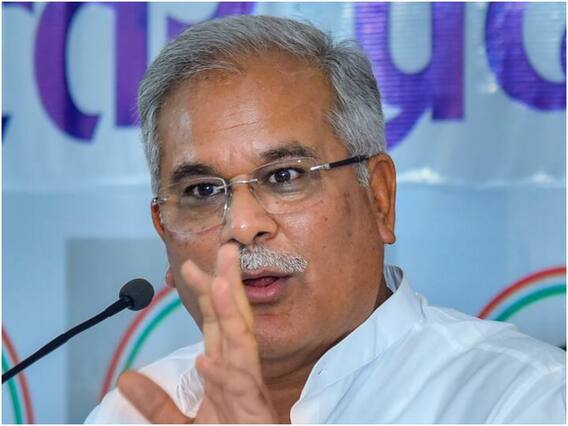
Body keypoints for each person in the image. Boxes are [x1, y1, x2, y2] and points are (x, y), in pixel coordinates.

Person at [86, 15, 565, 424]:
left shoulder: (521, 398)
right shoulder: (133, 412)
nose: (243, 226)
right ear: (165, 231)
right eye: (203, 191)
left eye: (285, 176)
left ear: (379, 198)